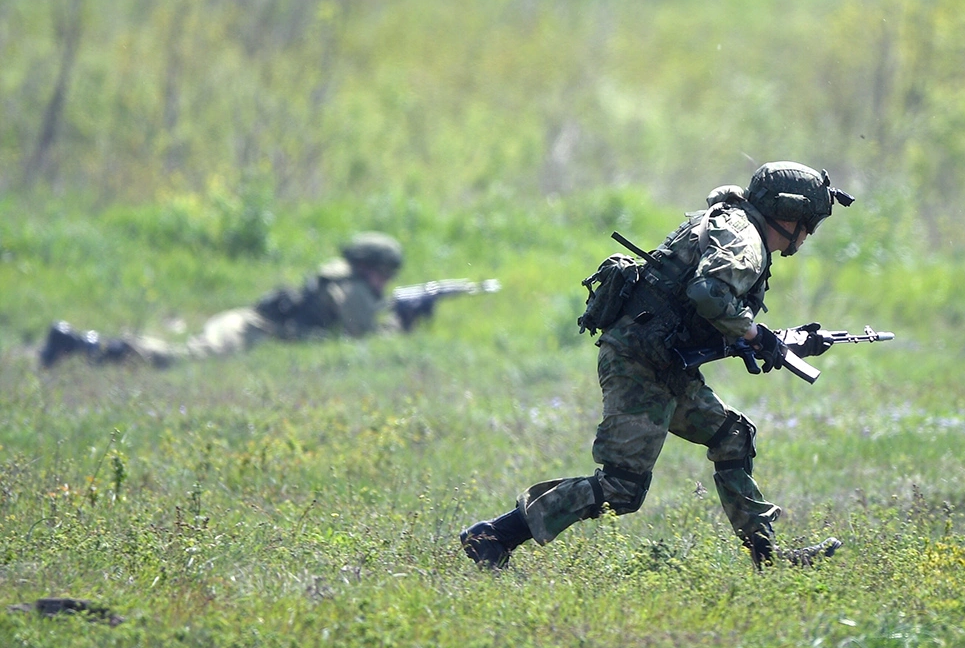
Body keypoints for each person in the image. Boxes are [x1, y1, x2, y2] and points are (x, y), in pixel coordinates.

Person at [460, 161, 854, 571]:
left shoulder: (733, 224)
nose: (808, 235)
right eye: (809, 223)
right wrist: (755, 336)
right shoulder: (745, 241)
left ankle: (768, 560)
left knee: (732, 437)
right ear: (788, 215)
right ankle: (493, 537)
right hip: (639, 365)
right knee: (622, 489)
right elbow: (708, 293)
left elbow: (707, 308)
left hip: (665, 365)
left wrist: (772, 341)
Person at [38, 231, 405, 369]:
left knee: (179, 358)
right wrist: (401, 320)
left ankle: (87, 349)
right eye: (383, 274)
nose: (383, 282)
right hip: (249, 329)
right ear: (370, 268)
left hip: (250, 325)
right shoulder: (353, 288)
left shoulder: (339, 278)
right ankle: (80, 345)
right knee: (178, 360)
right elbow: (366, 339)